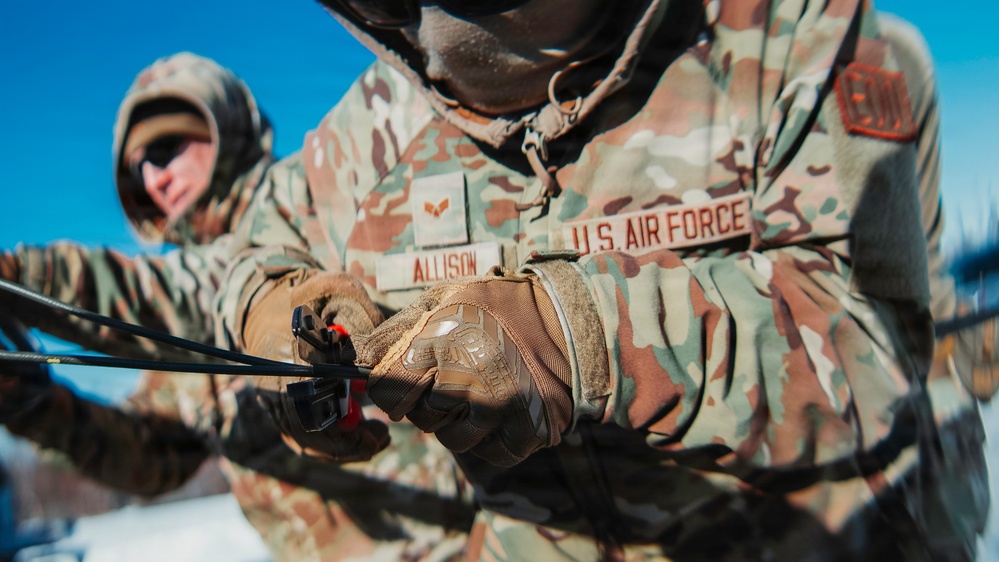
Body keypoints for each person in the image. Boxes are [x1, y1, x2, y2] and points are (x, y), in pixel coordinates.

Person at [215, 0, 989, 560]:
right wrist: (274, 312)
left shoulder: (781, 32)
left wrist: (578, 337)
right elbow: (254, 256)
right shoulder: (368, 133)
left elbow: (876, 351)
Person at [0, 52, 475, 561]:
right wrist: (28, 403)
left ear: (224, 124)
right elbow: (151, 456)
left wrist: (16, 276)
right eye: (138, 174)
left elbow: (184, 290)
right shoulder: (180, 340)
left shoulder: (320, 208)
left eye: (164, 148)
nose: (154, 180)